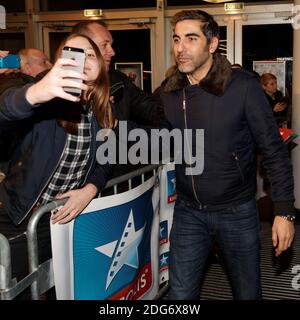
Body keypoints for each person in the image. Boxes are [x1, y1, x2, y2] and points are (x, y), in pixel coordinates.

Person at [156, 10, 295, 300]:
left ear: (211, 44)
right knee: (180, 294)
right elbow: (147, 133)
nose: (180, 48)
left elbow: (273, 150)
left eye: (191, 38)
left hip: (237, 212)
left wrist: (283, 210)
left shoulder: (242, 87)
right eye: (177, 39)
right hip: (188, 212)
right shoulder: (169, 92)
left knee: (246, 293)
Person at [0, 34, 114, 298]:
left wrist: (90, 189)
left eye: (90, 54)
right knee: (18, 292)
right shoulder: (41, 95)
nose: (83, 59)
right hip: (19, 216)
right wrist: (36, 94)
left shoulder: (101, 107)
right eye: (73, 53)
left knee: (59, 288)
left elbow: (107, 160)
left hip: (59, 221)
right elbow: (6, 110)